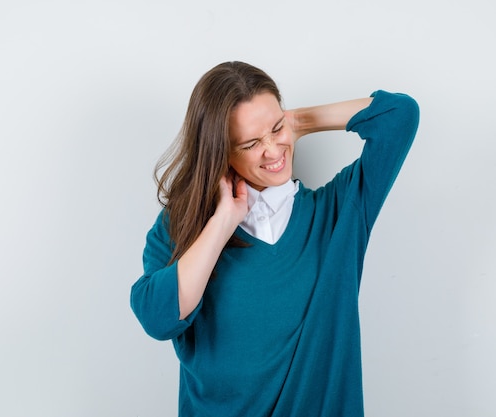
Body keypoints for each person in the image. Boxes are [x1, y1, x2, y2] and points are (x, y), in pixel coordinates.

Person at [130, 61, 419, 416]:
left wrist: (298, 121)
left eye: (277, 128)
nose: (273, 150)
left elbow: (399, 115)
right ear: (221, 153)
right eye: (251, 143)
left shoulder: (339, 212)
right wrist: (222, 222)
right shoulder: (183, 226)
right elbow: (158, 319)